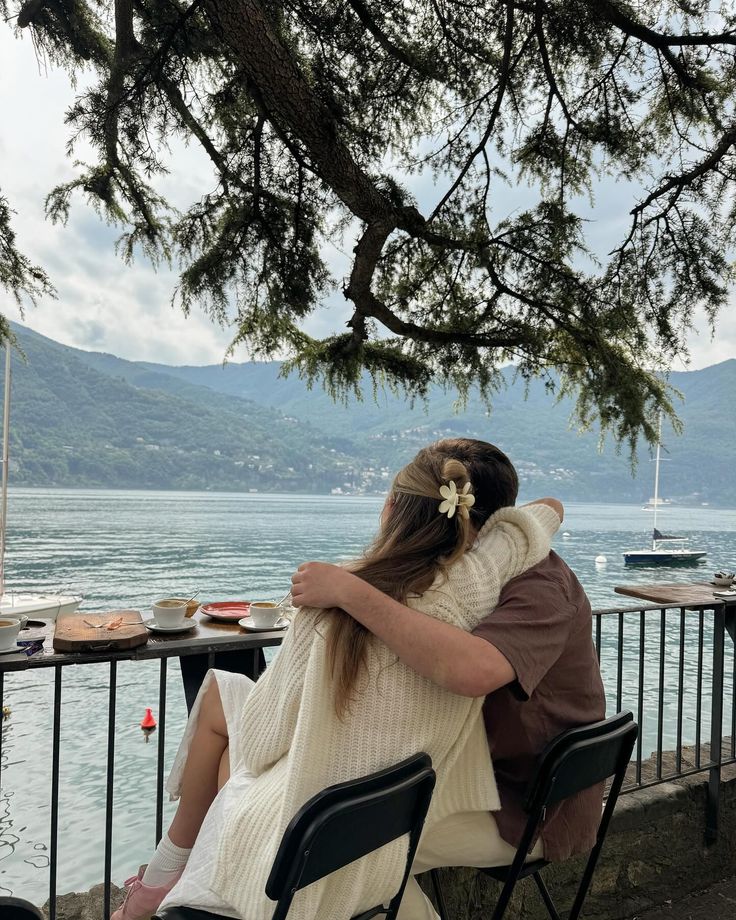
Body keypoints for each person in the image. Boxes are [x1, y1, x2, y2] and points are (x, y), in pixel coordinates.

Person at [113, 439, 562, 920]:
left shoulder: (338, 602)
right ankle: (164, 876)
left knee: (232, 746)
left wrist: (346, 589)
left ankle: (160, 878)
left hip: (325, 820)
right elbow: (547, 511)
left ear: (391, 509)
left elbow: (266, 740)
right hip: (392, 793)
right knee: (225, 696)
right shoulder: (481, 588)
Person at [291, 439, 606, 920]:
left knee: (334, 852)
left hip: (526, 810)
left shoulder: (539, 584)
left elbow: (473, 670)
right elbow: (550, 507)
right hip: (489, 780)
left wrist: (352, 593)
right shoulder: (476, 574)